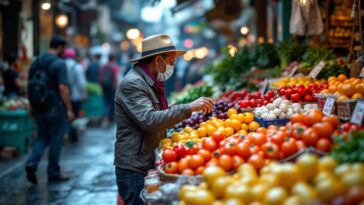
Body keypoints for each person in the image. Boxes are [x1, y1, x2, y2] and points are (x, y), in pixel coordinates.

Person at [114, 34, 214, 205]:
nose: (172, 66)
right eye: (171, 62)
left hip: (145, 160)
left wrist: (173, 109)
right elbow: (149, 120)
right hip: (134, 168)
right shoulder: (133, 84)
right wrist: (188, 107)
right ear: (158, 60)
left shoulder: (150, 81)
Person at [25, 35, 74, 184]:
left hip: (39, 106)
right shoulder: (59, 63)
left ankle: (32, 162)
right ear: (59, 47)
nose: (64, 51)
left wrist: (32, 105)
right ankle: (53, 172)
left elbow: (29, 85)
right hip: (55, 107)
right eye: (64, 48)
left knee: (42, 137)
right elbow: (63, 87)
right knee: (55, 139)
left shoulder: (36, 62)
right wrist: (69, 109)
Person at [63, 48, 87, 142]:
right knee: (75, 116)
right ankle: (72, 135)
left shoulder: (61, 65)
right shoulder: (77, 67)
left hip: (63, 96)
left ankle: (65, 133)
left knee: (66, 115)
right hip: (75, 96)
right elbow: (81, 84)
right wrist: (84, 95)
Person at [99, 54, 119, 124]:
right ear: (113, 59)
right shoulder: (114, 67)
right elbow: (115, 78)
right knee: (111, 102)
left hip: (105, 86)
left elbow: (100, 77)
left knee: (106, 101)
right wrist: (116, 87)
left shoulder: (104, 66)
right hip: (111, 86)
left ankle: (106, 118)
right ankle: (107, 118)